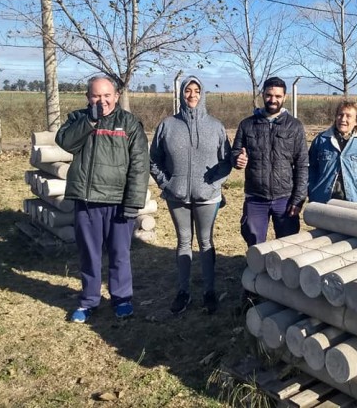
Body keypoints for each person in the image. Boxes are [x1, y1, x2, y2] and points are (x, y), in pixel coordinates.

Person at [56, 76, 149, 323]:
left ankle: (122, 299)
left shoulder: (129, 124)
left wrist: (133, 202)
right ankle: (88, 301)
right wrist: (91, 120)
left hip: (118, 202)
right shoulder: (78, 119)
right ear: (88, 97)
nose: (102, 101)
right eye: (96, 96)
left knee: (120, 254)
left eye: (107, 95)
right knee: (89, 254)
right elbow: (65, 142)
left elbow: (140, 166)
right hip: (87, 201)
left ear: (116, 96)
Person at [150, 76, 232, 315]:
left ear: (202, 93)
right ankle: (183, 291)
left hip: (207, 196)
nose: (192, 95)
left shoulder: (215, 126)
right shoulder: (167, 125)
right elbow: (153, 158)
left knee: (206, 242)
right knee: (183, 242)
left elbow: (226, 161)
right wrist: (167, 183)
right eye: (188, 90)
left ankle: (209, 291)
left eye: (196, 90)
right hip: (177, 196)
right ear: (181, 94)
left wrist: (215, 183)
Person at [231, 76, 309, 247]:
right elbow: (235, 152)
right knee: (255, 246)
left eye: (278, 96)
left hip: (285, 198)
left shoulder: (295, 126)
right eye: (269, 95)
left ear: (284, 97)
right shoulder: (247, 125)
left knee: (287, 247)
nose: (273, 100)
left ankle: (284, 275)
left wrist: (298, 199)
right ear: (263, 95)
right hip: (255, 197)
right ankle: (257, 274)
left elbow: (302, 165)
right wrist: (238, 159)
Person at [308, 100, 357, 204]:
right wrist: (311, 188)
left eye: (348, 116)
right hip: (323, 200)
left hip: (356, 200)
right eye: (340, 115)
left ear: (356, 121)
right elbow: (310, 166)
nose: (343, 119)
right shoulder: (322, 140)